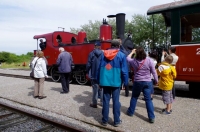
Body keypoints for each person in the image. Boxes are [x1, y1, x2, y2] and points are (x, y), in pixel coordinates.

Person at [98, 39, 128, 127]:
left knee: (105, 101)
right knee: (116, 102)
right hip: (116, 82)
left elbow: (99, 69)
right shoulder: (122, 55)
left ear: (111, 45)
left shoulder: (103, 54)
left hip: (105, 81)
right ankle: (116, 121)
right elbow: (124, 71)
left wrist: (99, 81)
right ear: (119, 46)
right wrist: (125, 83)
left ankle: (104, 121)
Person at [126, 47, 158, 123]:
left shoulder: (134, 61)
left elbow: (127, 58)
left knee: (134, 97)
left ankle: (130, 112)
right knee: (148, 100)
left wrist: (132, 52)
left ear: (136, 53)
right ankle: (151, 117)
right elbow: (154, 72)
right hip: (147, 82)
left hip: (137, 82)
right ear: (144, 52)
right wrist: (156, 80)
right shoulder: (149, 60)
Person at [86, 41, 103, 108]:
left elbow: (88, 64)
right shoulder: (103, 53)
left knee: (95, 88)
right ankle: (102, 102)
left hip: (94, 74)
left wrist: (87, 71)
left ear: (95, 46)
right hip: (101, 74)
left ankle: (94, 103)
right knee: (101, 88)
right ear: (100, 46)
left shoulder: (91, 54)